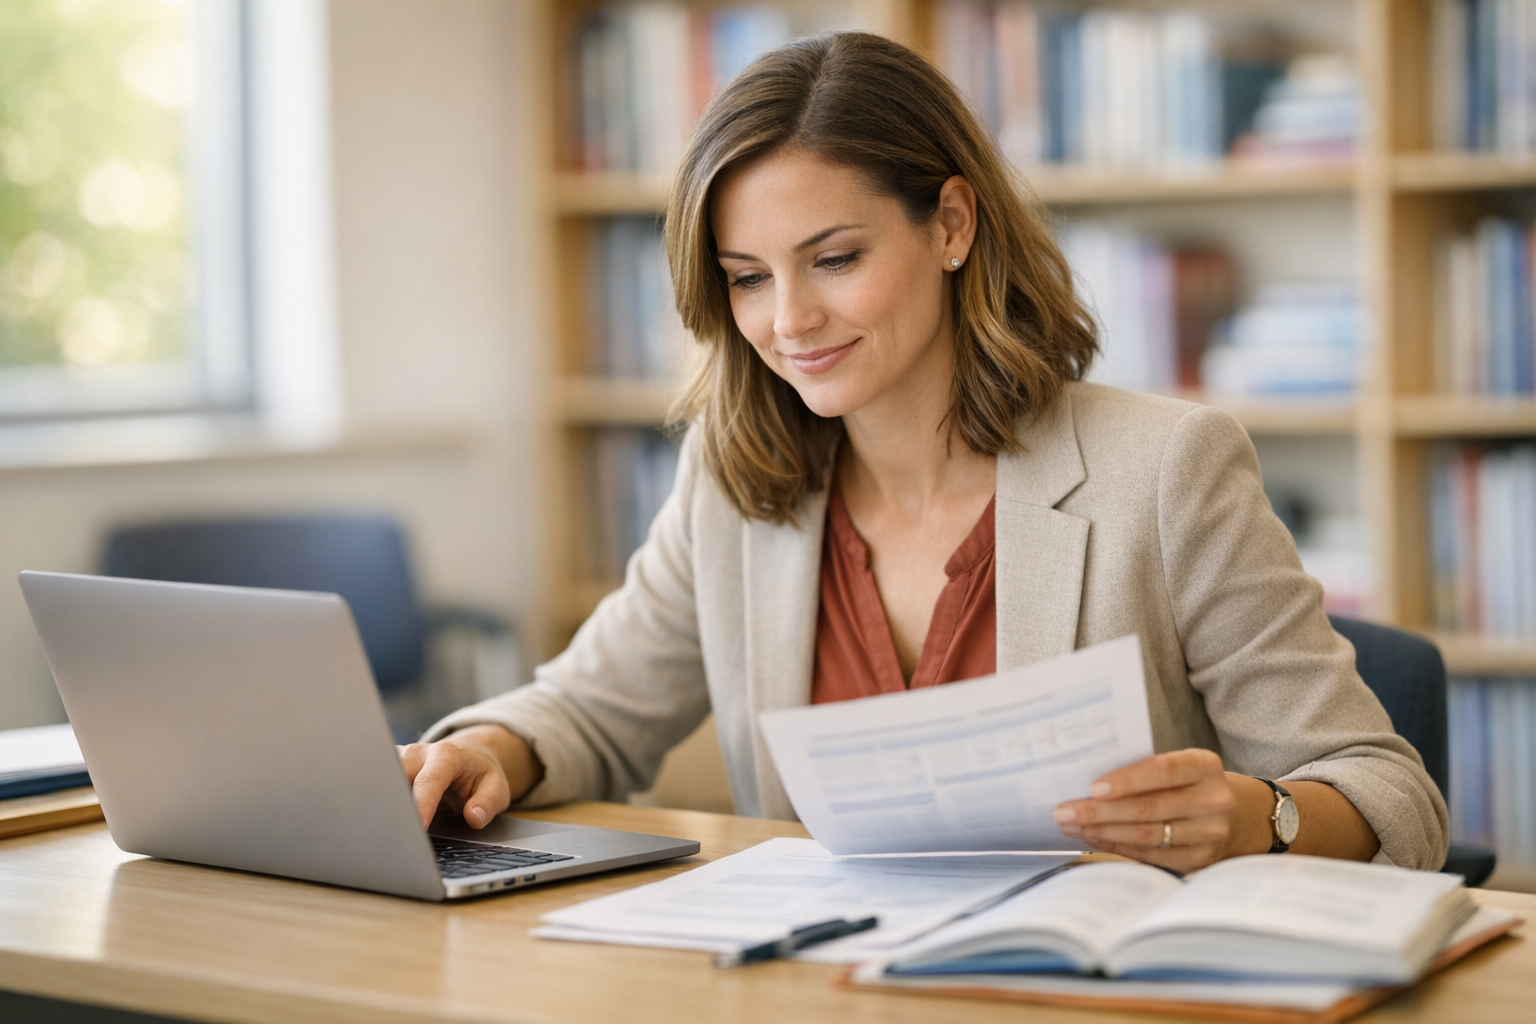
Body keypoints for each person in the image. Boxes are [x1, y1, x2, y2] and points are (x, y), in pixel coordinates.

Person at [399, 32, 1447, 873]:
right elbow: (588, 707)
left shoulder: (1167, 468)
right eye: (747, 276)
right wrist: (486, 748)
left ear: (951, 224)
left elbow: (1386, 792)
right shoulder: (737, 483)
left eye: (835, 259)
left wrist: (1257, 815)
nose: (790, 319)